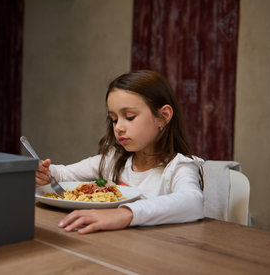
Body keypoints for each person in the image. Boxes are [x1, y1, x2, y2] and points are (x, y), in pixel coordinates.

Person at [36, 70, 204, 234]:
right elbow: (64, 174)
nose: (118, 128)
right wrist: (44, 172)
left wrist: (124, 213)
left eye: (129, 117)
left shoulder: (179, 167)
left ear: (163, 116)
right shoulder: (114, 160)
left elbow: (193, 202)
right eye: (114, 119)